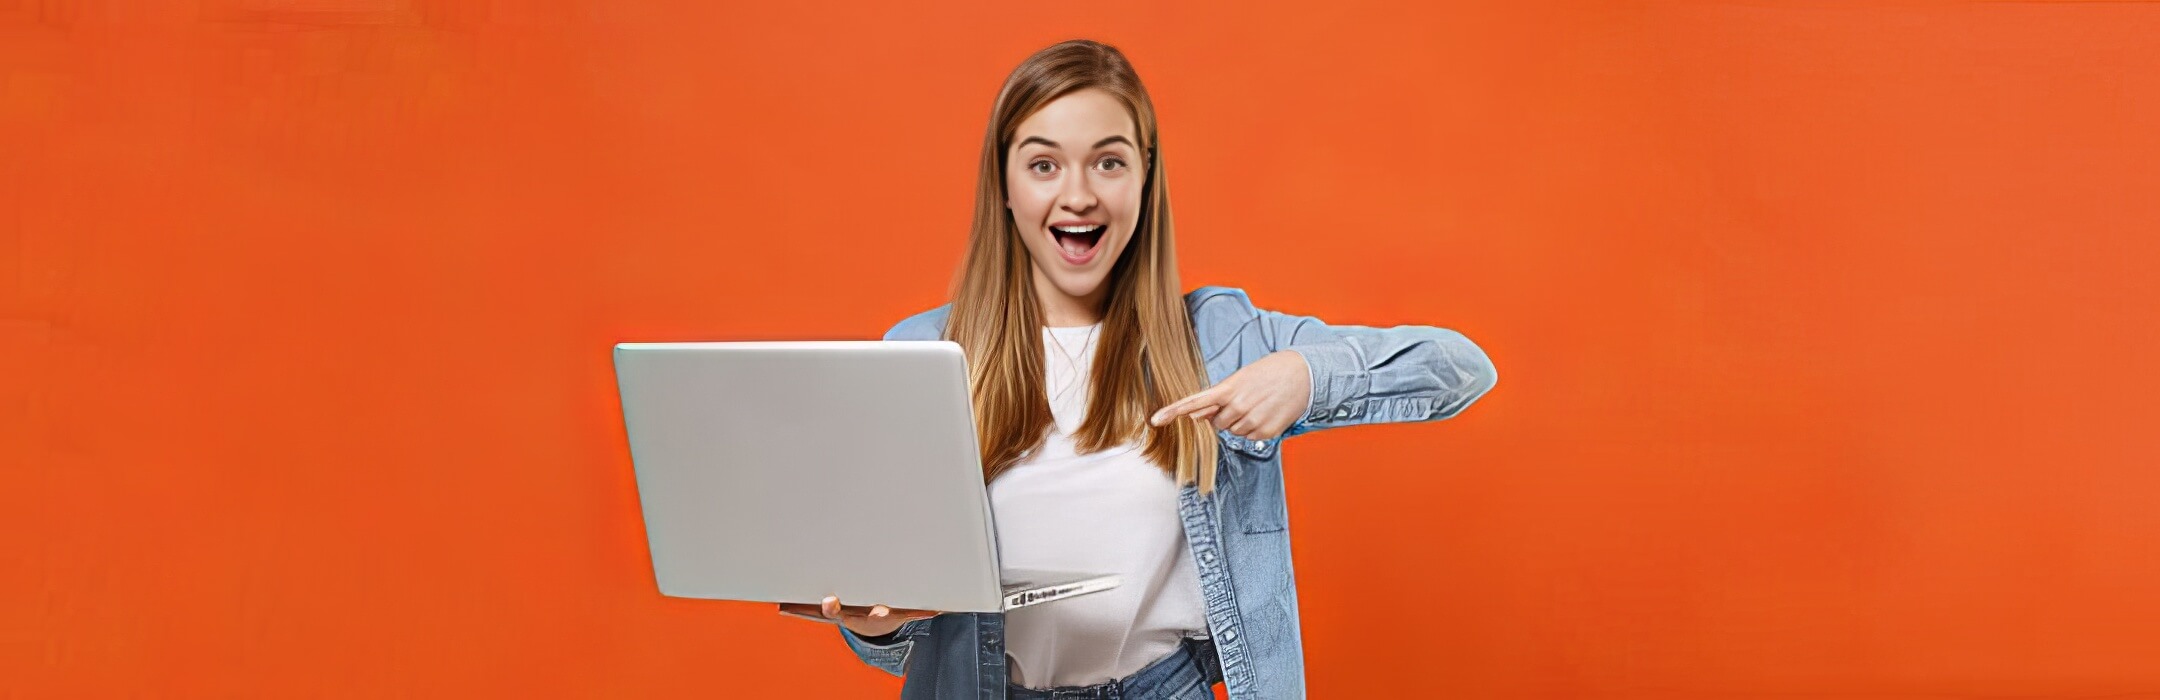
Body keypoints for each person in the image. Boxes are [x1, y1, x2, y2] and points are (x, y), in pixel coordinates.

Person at [780, 38, 1498, 700]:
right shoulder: (922, 355)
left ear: (1145, 178)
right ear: (1004, 185)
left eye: (1109, 160)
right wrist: (875, 623)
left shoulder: (1220, 337)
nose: (1079, 193)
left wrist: (1305, 374)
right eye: (1043, 163)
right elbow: (895, 641)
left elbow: (1462, 368)